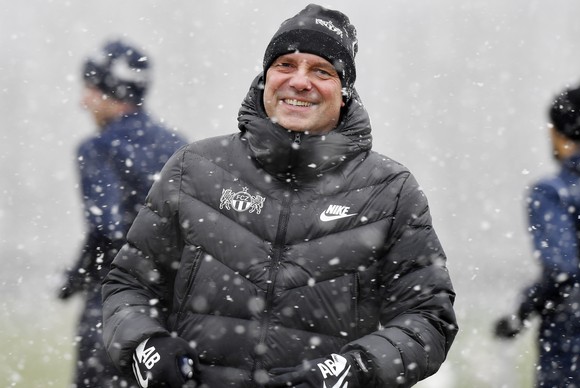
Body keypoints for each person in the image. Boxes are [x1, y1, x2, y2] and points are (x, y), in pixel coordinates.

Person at [102, 4, 458, 388]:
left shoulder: (391, 190)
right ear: (265, 77)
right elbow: (129, 284)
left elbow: (427, 319)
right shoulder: (194, 168)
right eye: (286, 65)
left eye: (321, 71)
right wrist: (146, 345)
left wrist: (355, 370)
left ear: (344, 92)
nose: (300, 81)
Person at [57, 38, 188, 387]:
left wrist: (77, 277)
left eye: (89, 88)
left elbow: (108, 229)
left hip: (114, 306)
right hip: (171, 310)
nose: (83, 101)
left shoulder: (97, 149)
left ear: (111, 91)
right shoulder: (179, 145)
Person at [494, 84, 580, 386]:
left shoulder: (552, 193)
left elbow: (562, 268)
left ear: (559, 133)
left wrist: (521, 312)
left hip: (573, 344)